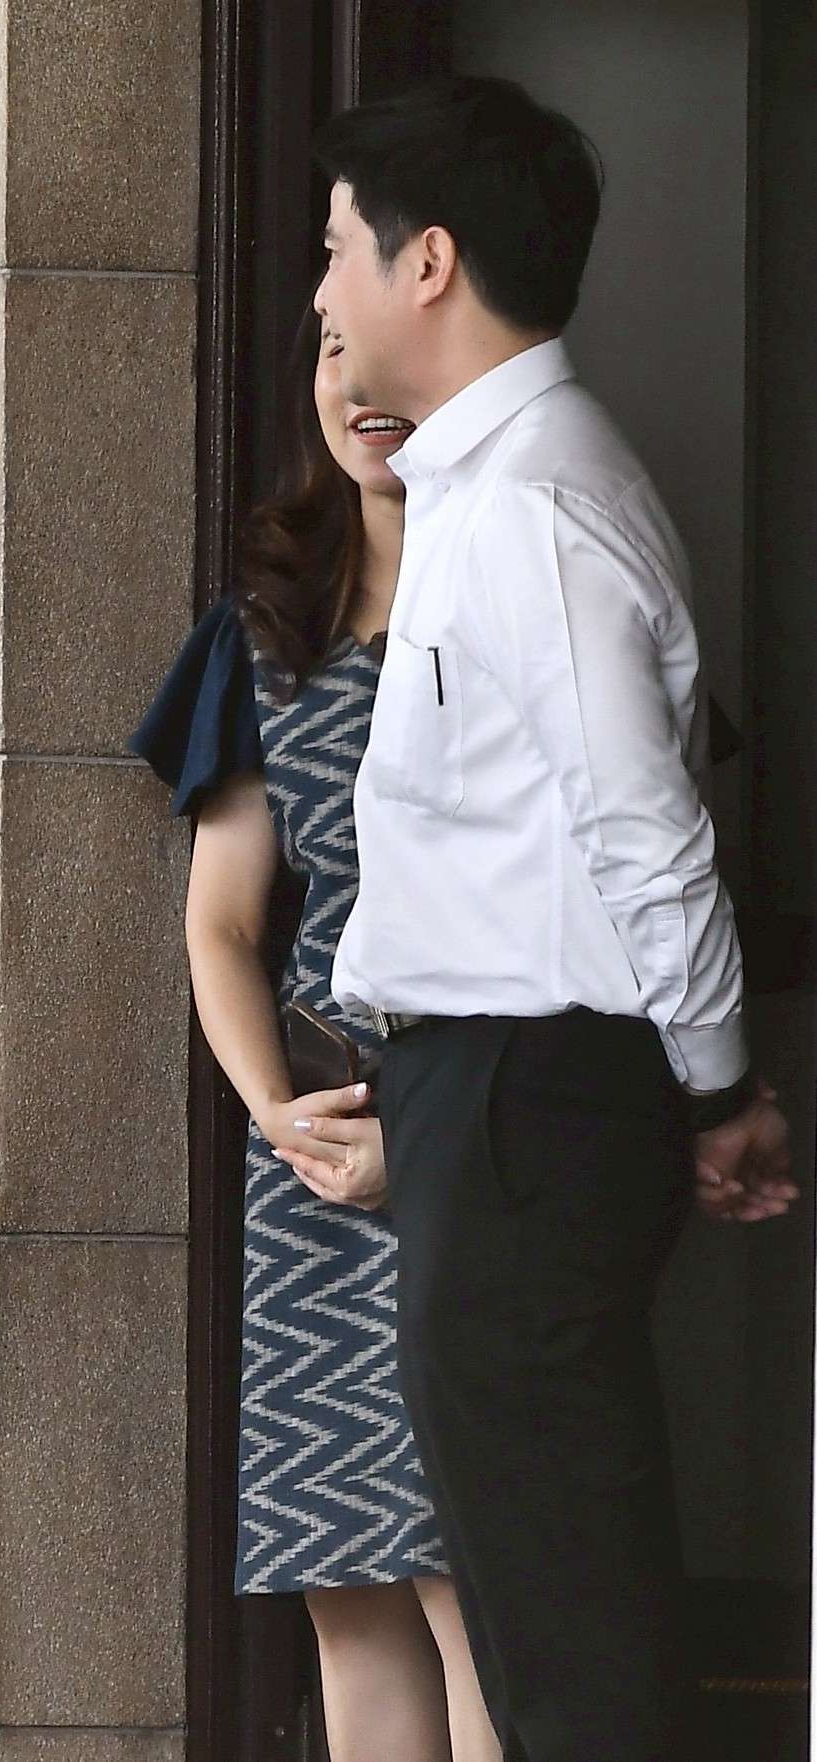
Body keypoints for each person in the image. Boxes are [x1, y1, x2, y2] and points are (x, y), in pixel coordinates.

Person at [312, 76, 798, 1760]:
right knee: (547, 1616)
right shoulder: (486, 483)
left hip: (532, 1095)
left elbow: (646, 828)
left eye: (336, 249)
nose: (322, 293)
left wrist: (717, 1088)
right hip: (502, 1099)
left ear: (428, 261)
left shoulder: (529, 497)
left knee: (570, 1633)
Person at [132, 314, 496, 1762]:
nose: (360, 389)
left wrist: (431, 1134)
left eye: (383, 351)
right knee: (348, 1597)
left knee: (477, 1593)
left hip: (489, 1128)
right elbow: (223, 922)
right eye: (331, 354)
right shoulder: (267, 627)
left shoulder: (533, 587)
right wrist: (278, 1114)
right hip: (319, 1162)